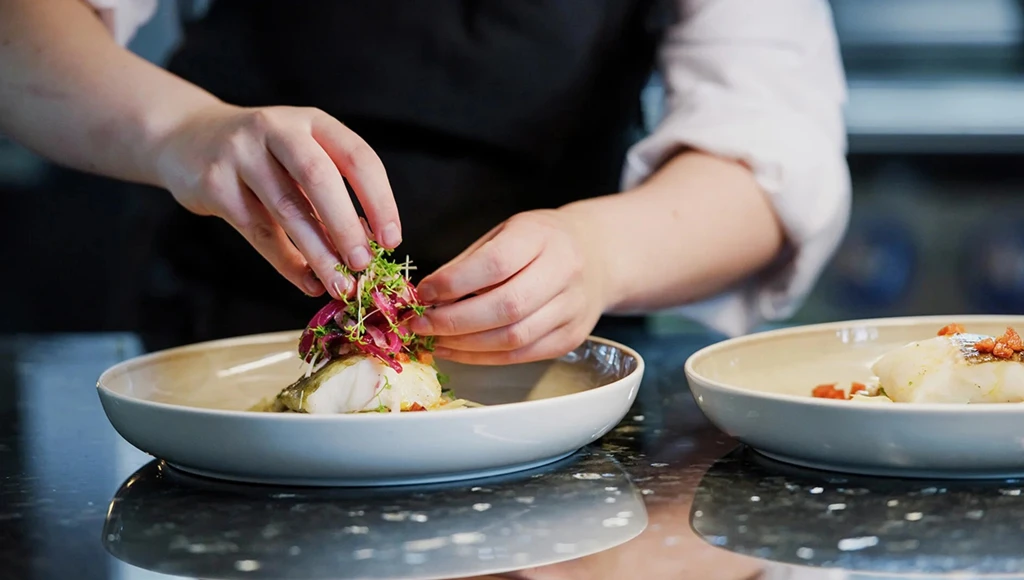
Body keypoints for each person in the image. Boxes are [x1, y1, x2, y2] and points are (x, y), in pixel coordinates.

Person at [0, 0, 850, 363]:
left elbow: (774, 144)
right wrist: (184, 132)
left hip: (551, 384)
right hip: (226, 347)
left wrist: (600, 251)